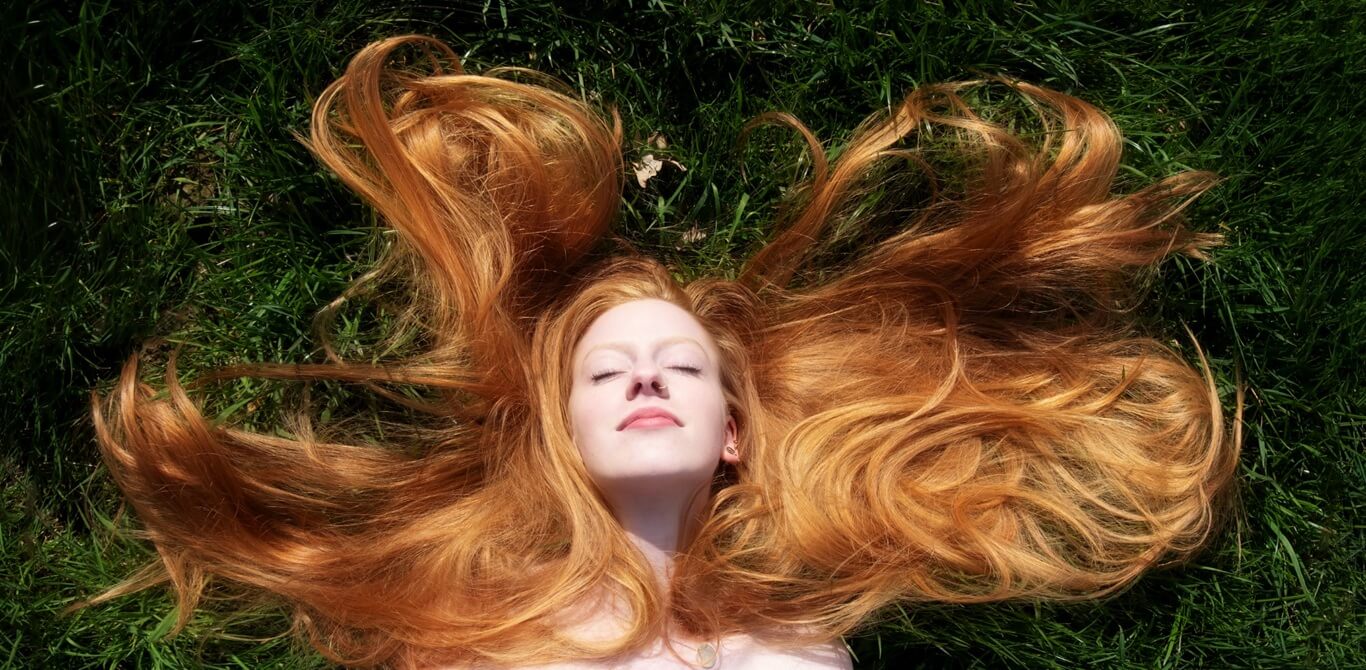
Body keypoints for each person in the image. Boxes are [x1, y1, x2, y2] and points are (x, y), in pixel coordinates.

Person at [78, 34, 1240, 669]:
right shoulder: (476, 629)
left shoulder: (792, 646)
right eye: (606, 372)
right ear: (562, 435)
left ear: (734, 436)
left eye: (680, 370)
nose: (642, 377)